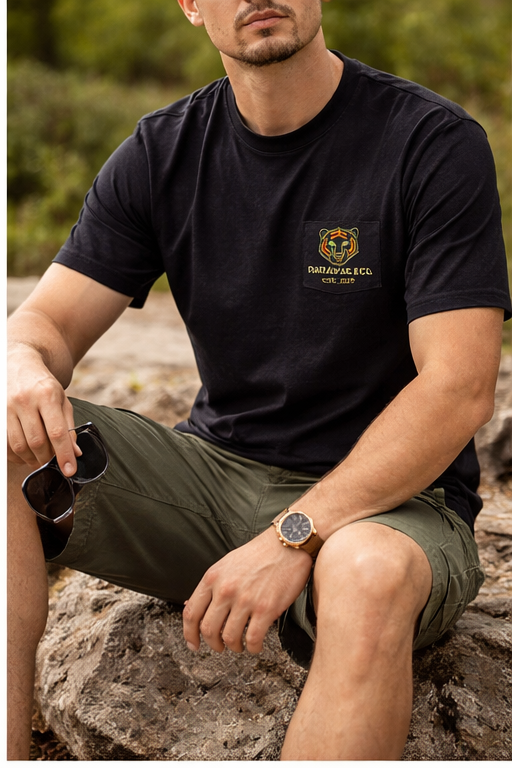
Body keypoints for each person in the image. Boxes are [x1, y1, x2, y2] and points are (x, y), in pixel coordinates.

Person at [7, 0, 512, 760]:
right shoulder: (162, 150)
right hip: (213, 481)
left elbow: (459, 388)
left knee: (367, 574)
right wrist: (19, 363)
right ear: (191, 5)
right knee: (8, 438)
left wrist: (291, 537)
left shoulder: (429, 142)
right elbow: (45, 324)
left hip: (394, 505)